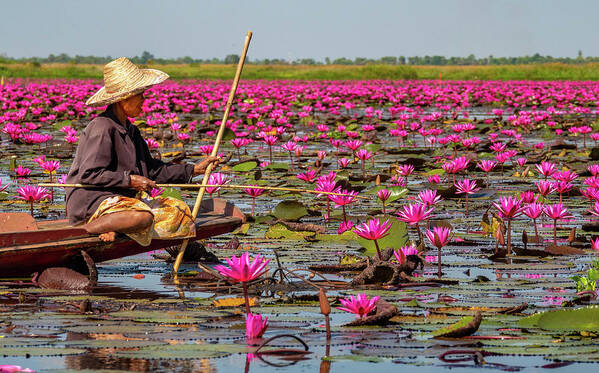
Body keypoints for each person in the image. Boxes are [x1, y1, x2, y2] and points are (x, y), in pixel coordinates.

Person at [65, 57, 219, 244]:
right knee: (142, 218)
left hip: (120, 202)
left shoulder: (131, 130)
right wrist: (129, 180)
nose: (143, 100)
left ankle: (116, 227)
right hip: (92, 202)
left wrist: (194, 169)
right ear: (123, 98)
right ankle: (89, 229)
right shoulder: (101, 127)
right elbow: (89, 175)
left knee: (179, 212)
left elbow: (153, 170)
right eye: (140, 95)